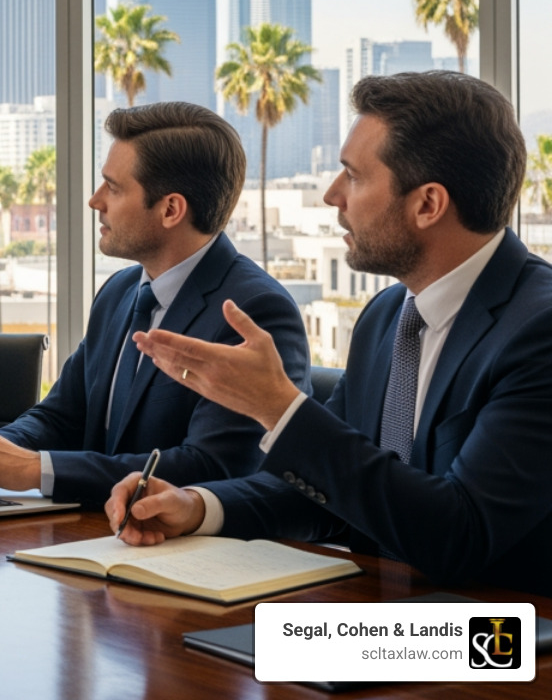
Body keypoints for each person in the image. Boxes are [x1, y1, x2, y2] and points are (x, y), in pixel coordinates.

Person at [108, 72, 552, 596]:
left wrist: (280, 409)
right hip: (374, 615)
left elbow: (461, 535)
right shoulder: (386, 316)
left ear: (428, 205)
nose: (331, 194)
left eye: (354, 177)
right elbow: (328, 493)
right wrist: (199, 506)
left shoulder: (539, 330)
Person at [0, 102, 310, 504]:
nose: (95, 201)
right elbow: (62, 416)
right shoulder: (119, 290)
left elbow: (211, 468)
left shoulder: (253, 313)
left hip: (177, 541)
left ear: (170, 209)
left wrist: (34, 469)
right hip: (95, 528)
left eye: (113, 188)